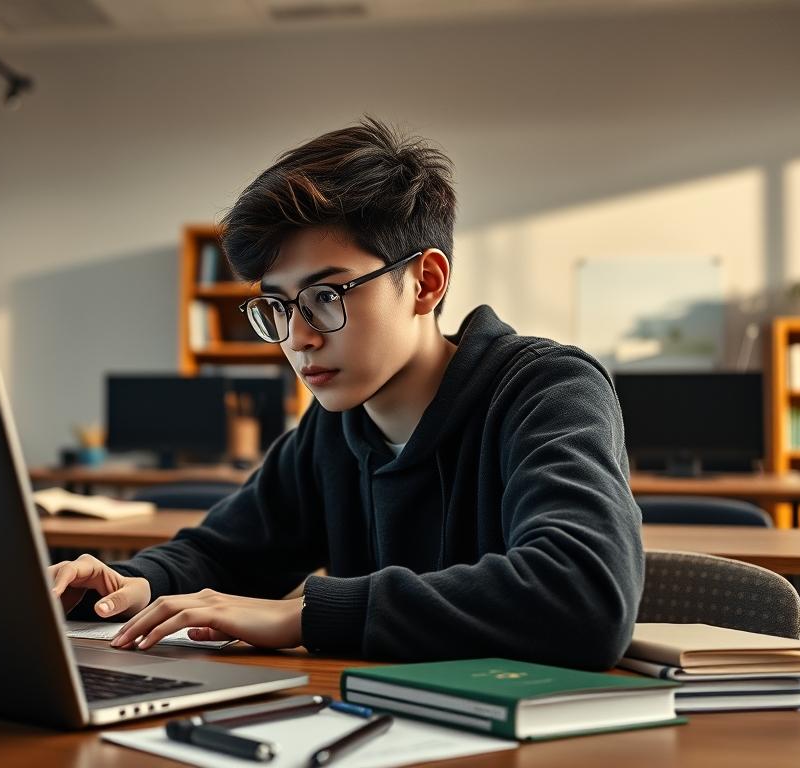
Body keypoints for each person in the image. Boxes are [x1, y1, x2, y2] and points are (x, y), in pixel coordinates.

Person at [48, 117, 642, 668]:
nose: (298, 338)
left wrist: (306, 614)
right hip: (377, 715)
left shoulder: (548, 390)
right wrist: (135, 583)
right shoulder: (334, 424)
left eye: (326, 297)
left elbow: (584, 595)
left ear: (426, 282)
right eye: (278, 306)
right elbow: (225, 552)